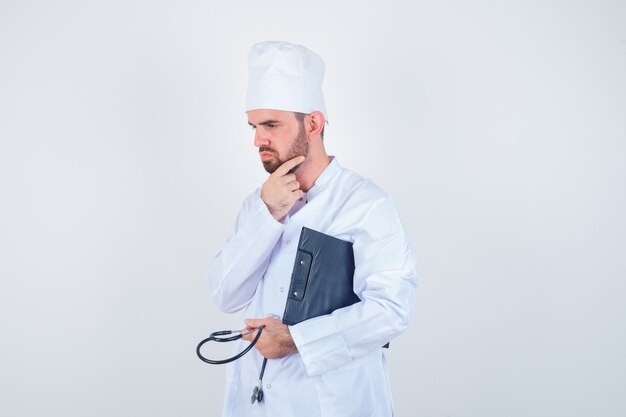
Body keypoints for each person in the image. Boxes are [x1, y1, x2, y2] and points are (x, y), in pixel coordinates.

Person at [208, 41, 418, 417]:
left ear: (314, 124)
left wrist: (296, 340)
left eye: (271, 124)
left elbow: (391, 310)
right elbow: (226, 294)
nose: (258, 140)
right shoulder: (258, 205)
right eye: (254, 126)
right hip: (257, 401)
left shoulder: (366, 204)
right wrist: (268, 214)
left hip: (337, 403)